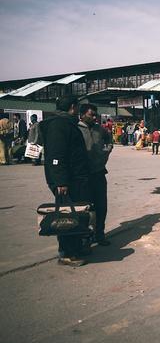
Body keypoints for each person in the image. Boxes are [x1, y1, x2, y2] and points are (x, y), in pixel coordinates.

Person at [40, 96, 91, 267]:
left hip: (75, 179)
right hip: (67, 182)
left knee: (76, 215)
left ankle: (76, 248)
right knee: (66, 218)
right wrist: (60, 182)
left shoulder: (66, 123)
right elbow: (56, 156)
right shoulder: (58, 125)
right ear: (73, 107)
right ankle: (67, 253)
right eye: (77, 107)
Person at [78, 104, 113, 246]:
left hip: (99, 173)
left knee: (101, 206)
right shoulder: (76, 129)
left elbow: (109, 140)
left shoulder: (100, 130)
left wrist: (106, 150)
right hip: (83, 176)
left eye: (95, 115)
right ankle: (85, 237)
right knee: (85, 208)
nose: (94, 117)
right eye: (91, 114)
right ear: (82, 114)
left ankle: (99, 234)